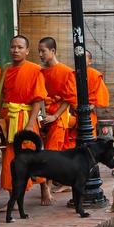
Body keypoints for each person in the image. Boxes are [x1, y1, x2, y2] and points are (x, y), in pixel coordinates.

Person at [0, 35, 47, 212]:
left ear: (27, 51)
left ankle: (44, 188)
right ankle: (13, 197)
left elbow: (38, 100)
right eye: (13, 47)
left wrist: (29, 125)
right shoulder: (6, 69)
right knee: (10, 159)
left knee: (33, 157)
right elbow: (2, 96)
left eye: (19, 47)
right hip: (9, 119)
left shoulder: (34, 70)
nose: (15, 50)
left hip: (26, 118)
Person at [39, 37, 77, 197]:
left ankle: (46, 187)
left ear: (53, 51)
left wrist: (54, 116)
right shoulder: (39, 71)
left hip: (58, 117)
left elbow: (69, 99)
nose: (40, 54)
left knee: (51, 152)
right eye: (39, 51)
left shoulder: (66, 71)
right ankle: (57, 183)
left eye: (43, 51)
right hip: (42, 115)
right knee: (45, 151)